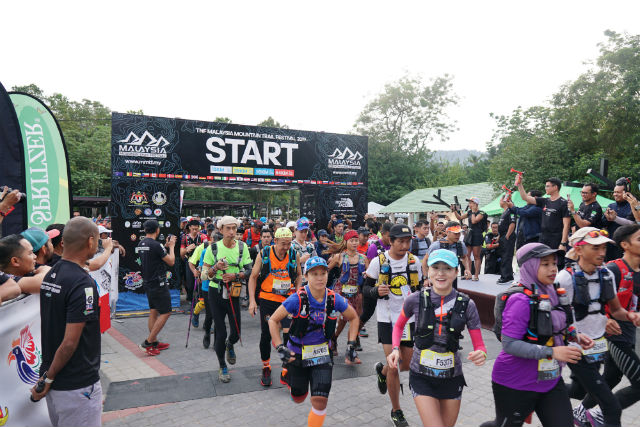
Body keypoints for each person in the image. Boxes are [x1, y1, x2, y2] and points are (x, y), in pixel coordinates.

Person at [487, 243, 594, 427]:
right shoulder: (520, 300)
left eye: (554, 263)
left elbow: (554, 325)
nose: (553, 268)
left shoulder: (554, 292)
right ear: (530, 266)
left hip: (550, 379)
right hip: (515, 382)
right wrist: (553, 352)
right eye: (545, 264)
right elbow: (509, 344)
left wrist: (574, 335)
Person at [388, 249, 487, 427]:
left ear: (456, 272)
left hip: (452, 377)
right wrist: (395, 348)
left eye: (447, 268)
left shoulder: (467, 304)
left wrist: (481, 353)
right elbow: (398, 326)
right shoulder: (414, 299)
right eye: (436, 267)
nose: (441, 273)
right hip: (421, 376)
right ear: (428, 271)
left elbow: (479, 345)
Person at [556, 227, 640, 427]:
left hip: (597, 347)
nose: (602, 252)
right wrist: (573, 335)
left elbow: (616, 310)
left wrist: (630, 316)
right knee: (610, 406)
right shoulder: (565, 278)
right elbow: (556, 317)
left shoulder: (606, 275)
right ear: (578, 249)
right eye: (595, 248)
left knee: (580, 391)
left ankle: (541, 392)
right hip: (575, 349)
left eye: (603, 248)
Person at [268, 256, 360, 427]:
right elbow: (273, 320)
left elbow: (353, 317)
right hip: (297, 354)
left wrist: (351, 344)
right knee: (298, 397)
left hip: (322, 354)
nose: (319, 278)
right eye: (314, 274)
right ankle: (289, 375)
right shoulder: (297, 299)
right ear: (306, 276)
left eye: (323, 273)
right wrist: (280, 347)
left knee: (320, 400)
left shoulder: (333, 298)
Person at [31, 217, 102, 426]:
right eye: (98, 240)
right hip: (76, 384)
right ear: (90, 241)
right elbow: (70, 342)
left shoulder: (51, 273)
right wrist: (49, 378)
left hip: (57, 381)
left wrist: (48, 377)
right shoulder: (83, 283)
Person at [364, 224, 423, 427]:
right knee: (394, 366)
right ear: (391, 241)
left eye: (408, 241)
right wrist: (375, 291)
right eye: (401, 241)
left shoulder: (415, 262)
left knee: (405, 365)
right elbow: (365, 289)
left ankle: (381, 372)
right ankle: (396, 410)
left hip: (409, 319)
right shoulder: (378, 262)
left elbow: (420, 287)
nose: (405, 246)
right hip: (387, 319)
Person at [248, 226, 302, 387]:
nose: (286, 247)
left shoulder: (294, 254)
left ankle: (286, 370)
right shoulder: (264, 254)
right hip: (268, 299)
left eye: (289, 243)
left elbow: (299, 275)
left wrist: (298, 293)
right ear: (275, 241)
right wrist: (252, 301)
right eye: (283, 243)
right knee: (266, 334)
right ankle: (266, 366)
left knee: (288, 334)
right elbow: (253, 277)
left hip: (287, 301)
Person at [202, 216, 252, 383]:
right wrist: (215, 267)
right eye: (228, 228)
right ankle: (222, 365)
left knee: (236, 332)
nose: (232, 232)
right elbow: (204, 275)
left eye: (234, 228)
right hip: (215, 292)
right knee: (220, 331)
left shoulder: (242, 247)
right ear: (221, 230)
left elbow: (249, 270)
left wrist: (235, 275)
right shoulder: (213, 248)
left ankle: (230, 344)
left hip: (234, 292)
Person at [136, 220, 177, 356]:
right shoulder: (156, 245)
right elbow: (171, 261)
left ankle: (153, 342)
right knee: (166, 312)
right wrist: (171, 247)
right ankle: (148, 342)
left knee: (153, 311)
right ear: (157, 230)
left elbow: (154, 255)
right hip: (158, 283)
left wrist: (164, 246)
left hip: (148, 282)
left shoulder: (141, 243)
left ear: (145, 230)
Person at [326, 229, 366, 358]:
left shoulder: (363, 258)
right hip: (341, 291)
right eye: (352, 241)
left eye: (356, 240)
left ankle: (341, 339)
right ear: (346, 242)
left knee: (353, 318)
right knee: (346, 317)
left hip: (355, 292)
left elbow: (369, 275)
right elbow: (326, 270)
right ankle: (344, 344)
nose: (354, 243)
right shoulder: (339, 257)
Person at [516, 175, 570, 252]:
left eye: (548, 186)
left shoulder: (563, 203)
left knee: (555, 259)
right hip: (543, 238)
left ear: (555, 187)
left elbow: (566, 225)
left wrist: (563, 243)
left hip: (556, 239)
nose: (545, 188)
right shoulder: (544, 201)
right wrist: (519, 184)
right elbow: (525, 197)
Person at [360, 222, 393, 338]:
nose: (391, 239)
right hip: (374, 284)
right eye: (389, 236)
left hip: (389, 285)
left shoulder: (393, 246)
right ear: (382, 234)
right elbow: (369, 264)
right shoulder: (374, 247)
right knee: (367, 312)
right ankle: (355, 332)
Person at [187, 223, 216, 341]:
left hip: (216, 281)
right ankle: (195, 313)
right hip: (203, 279)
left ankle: (207, 324)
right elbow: (191, 262)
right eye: (215, 239)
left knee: (214, 305)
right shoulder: (203, 248)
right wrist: (195, 271)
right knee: (203, 302)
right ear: (211, 238)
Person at [423, 221, 471, 289]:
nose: (458, 235)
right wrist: (425, 278)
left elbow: (464, 257)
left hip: (452, 278)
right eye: (455, 233)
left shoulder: (461, 245)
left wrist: (467, 269)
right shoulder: (436, 245)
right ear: (447, 232)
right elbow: (425, 261)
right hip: (438, 278)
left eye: (459, 233)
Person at [452, 197, 486, 281]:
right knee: (467, 255)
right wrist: (454, 210)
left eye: (471, 203)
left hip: (477, 235)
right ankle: (469, 274)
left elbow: (474, 221)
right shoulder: (470, 212)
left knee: (476, 256)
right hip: (469, 234)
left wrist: (474, 211)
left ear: (475, 204)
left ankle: (476, 275)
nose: (469, 204)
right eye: (469, 203)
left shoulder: (481, 213)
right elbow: (460, 218)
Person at [603, 182, 635, 261]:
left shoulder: (632, 206)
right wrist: (607, 218)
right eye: (614, 192)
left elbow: (631, 224)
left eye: (618, 192)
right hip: (610, 244)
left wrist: (615, 218)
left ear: (626, 193)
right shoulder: (611, 206)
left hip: (624, 245)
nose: (615, 194)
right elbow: (603, 223)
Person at [180, 219, 207, 306]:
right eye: (193, 229)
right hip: (189, 261)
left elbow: (207, 248)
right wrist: (187, 249)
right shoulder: (185, 237)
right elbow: (181, 253)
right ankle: (190, 298)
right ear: (189, 228)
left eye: (196, 229)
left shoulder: (203, 237)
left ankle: (200, 298)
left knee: (201, 281)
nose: (195, 231)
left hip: (200, 262)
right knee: (190, 282)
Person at [497, 197, 516, 284]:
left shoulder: (511, 211)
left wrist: (507, 235)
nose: (499, 202)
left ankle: (506, 277)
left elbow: (512, 223)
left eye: (501, 200)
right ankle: (506, 275)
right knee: (503, 256)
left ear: (505, 201)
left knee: (506, 256)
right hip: (503, 236)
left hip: (508, 236)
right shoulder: (504, 212)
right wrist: (499, 236)